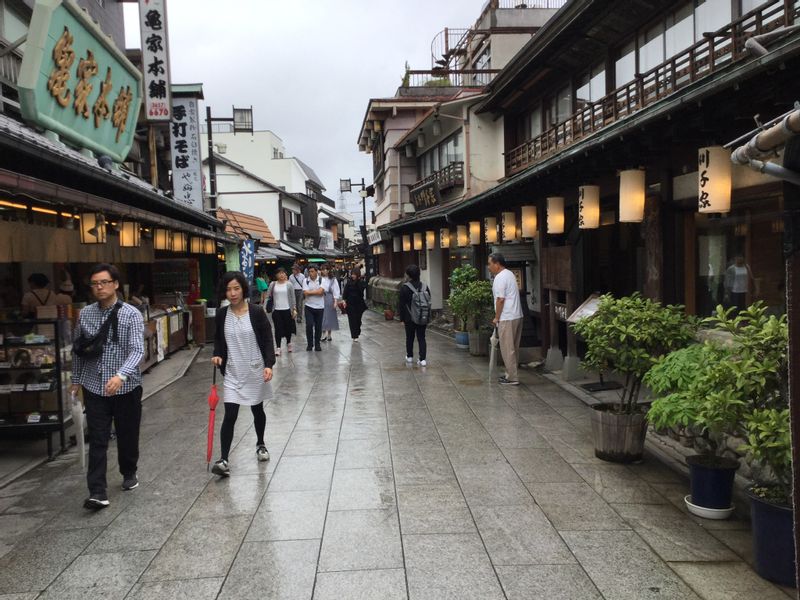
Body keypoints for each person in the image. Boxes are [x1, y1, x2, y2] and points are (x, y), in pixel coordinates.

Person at [70, 264, 144, 509]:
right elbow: (79, 350)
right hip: (94, 386)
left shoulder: (131, 314)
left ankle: (129, 470)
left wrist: (121, 375)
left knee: (127, 434)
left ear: (115, 284)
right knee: (98, 438)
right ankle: (97, 491)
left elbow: (137, 350)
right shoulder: (85, 314)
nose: (99, 287)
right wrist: (76, 379)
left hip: (126, 387)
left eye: (104, 282)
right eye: (95, 283)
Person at [211, 272, 275, 477]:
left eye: (236, 288)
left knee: (257, 410)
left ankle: (261, 443)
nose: (232, 293)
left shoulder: (256, 312)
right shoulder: (222, 314)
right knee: (230, 414)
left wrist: (268, 364)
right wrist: (217, 356)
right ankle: (223, 459)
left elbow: (267, 339)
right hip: (232, 372)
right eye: (229, 289)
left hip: (255, 369)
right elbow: (219, 341)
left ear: (243, 289)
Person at [488, 253, 523, 386]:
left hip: (507, 317)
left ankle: (512, 377)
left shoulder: (500, 278)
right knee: (513, 348)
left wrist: (497, 317)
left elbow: (500, 299)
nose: (488, 267)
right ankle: (511, 374)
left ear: (497, 264)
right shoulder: (509, 274)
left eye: (490, 263)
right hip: (517, 315)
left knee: (507, 348)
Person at [399, 264, 430, 366]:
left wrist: (402, 319)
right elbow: (428, 301)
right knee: (421, 337)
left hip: (409, 317)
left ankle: (410, 356)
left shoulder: (405, 288)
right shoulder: (425, 287)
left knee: (410, 337)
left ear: (409, 275)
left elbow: (401, 305)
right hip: (422, 316)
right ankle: (422, 359)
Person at [266, 268, 297, 355]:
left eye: (283, 273)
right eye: (279, 273)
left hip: (287, 310)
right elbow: (268, 296)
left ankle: (289, 343)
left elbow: (293, 297)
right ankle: (278, 347)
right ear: (276, 275)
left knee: (288, 328)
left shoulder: (289, 284)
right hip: (276, 311)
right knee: (277, 329)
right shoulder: (273, 284)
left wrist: (294, 309)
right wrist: (265, 307)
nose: (281, 275)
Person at [302, 266, 325, 351]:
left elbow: (321, 292)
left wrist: (310, 292)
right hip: (309, 306)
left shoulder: (322, 280)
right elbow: (305, 293)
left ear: (316, 272)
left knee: (318, 326)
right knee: (309, 325)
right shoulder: (305, 280)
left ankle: (317, 344)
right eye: (309, 271)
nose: (310, 273)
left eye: (312, 271)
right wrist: (316, 292)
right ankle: (310, 344)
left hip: (320, 306)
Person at [342, 268, 368, 341]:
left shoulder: (361, 282)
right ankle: (354, 335)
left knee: (358, 320)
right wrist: (344, 300)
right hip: (350, 304)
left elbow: (362, 290)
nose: (353, 275)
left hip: (359, 304)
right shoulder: (349, 282)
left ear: (357, 275)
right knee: (352, 320)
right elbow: (345, 292)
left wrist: (358, 281)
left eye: (354, 274)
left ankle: (357, 330)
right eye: (352, 274)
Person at [320, 264, 341, 342]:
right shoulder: (320, 279)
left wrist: (335, 301)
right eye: (323, 269)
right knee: (322, 317)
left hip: (329, 298)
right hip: (321, 298)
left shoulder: (333, 279)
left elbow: (336, 290)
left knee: (330, 317)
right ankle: (323, 334)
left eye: (326, 269)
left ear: (329, 270)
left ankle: (329, 334)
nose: (325, 271)